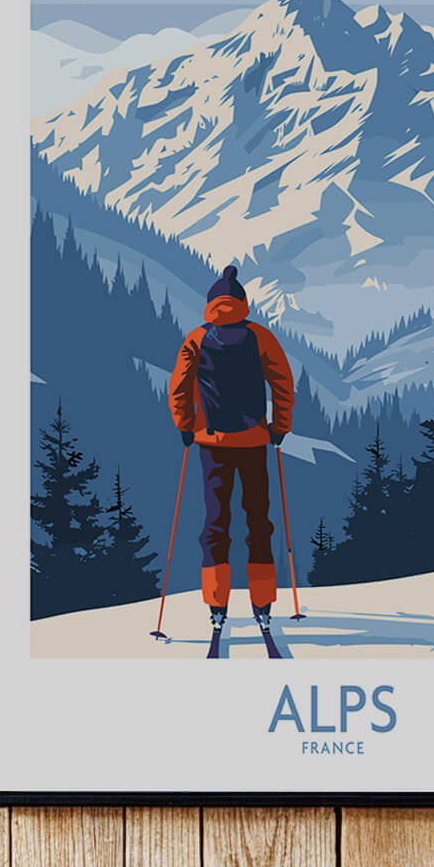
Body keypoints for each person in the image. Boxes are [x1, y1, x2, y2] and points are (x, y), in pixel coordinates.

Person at [166, 263, 296, 654]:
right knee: (259, 522)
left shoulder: (197, 338)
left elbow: (179, 387)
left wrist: (185, 426)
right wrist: (279, 427)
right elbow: (282, 383)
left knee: (215, 523)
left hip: (212, 445)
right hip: (254, 442)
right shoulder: (260, 336)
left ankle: (217, 604)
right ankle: (263, 602)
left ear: (211, 304)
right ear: (242, 302)